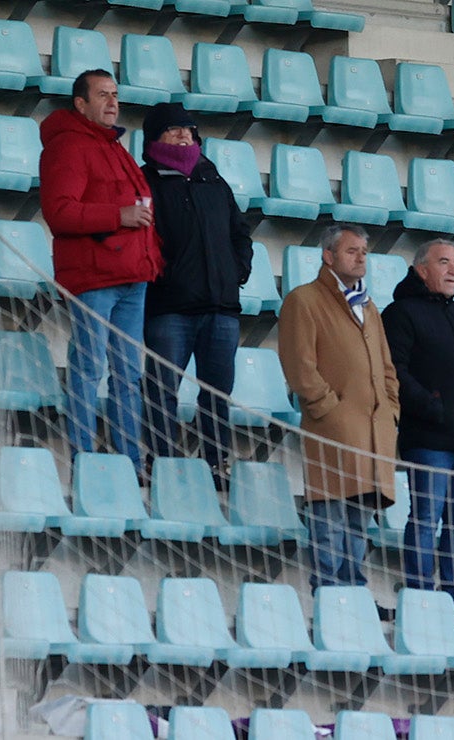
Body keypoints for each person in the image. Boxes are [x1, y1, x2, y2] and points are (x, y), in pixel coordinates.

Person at [40, 68, 162, 469]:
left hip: (132, 279)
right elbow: (60, 213)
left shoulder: (115, 147)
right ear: (81, 103)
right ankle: (84, 460)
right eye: (103, 95)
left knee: (128, 376)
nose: (113, 103)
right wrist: (118, 215)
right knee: (89, 369)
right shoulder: (69, 147)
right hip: (95, 280)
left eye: (115, 95)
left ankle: (128, 461)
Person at [277, 224, 399, 607]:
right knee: (329, 512)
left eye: (364, 251)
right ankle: (330, 594)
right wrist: (328, 408)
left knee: (359, 519)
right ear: (328, 256)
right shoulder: (304, 300)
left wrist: (390, 407)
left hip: (372, 432)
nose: (361, 257)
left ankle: (355, 594)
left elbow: (387, 367)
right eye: (352, 250)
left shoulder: (369, 306)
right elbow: (299, 366)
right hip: (332, 428)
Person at [382, 239, 454, 619]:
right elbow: (394, 370)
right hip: (429, 437)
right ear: (421, 270)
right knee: (426, 516)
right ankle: (419, 594)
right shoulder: (400, 313)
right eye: (444, 262)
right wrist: (429, 406)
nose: (453, 270)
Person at [138, 102, 253, 487]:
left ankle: (216, 464)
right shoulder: (145, 181)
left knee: (217, 395)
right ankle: (160, 461)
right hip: (169, 307)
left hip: (221, 309)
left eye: (189, 129)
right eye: (174, 130)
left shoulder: (212, 179)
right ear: (155, 137)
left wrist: (238, 270)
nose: (184, 135)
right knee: (161, 390)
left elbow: (240, 233)